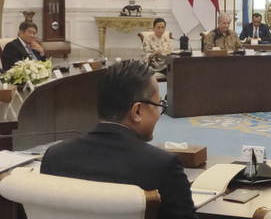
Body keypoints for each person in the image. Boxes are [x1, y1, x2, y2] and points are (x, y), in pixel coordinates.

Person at [40, 60, 196, 219]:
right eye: (158, 105)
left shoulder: (54, 157)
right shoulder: (163, 166)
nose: (158, 114)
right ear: (137, 111)